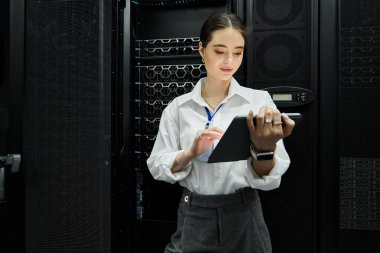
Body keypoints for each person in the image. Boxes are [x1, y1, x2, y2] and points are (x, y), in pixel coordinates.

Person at [147, 11, 295, 253]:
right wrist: (190, 152)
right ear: (201, 49)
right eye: (219, 50)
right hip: (195, 214)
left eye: (238, 52)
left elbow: (270, 177)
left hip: (244, 214)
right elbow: (156, 165)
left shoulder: (258, 102)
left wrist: (264, 149)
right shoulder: (178, 108)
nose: (229, 60)